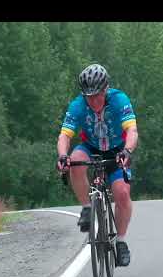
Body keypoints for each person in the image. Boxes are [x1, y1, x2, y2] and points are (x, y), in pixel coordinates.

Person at [56, 63, 138, 266]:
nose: (93, 101)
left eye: (97, 95)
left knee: (122, 193)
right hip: (91, 147)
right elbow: (64, 135)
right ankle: (86, 207)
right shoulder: (78, 105)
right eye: (88, 96)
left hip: (117, 150)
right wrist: (62, 155)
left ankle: (121, 241)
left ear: (106, 88)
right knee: (75, 160)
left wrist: (127, 151)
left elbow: (133, 131)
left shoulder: (119, 100)